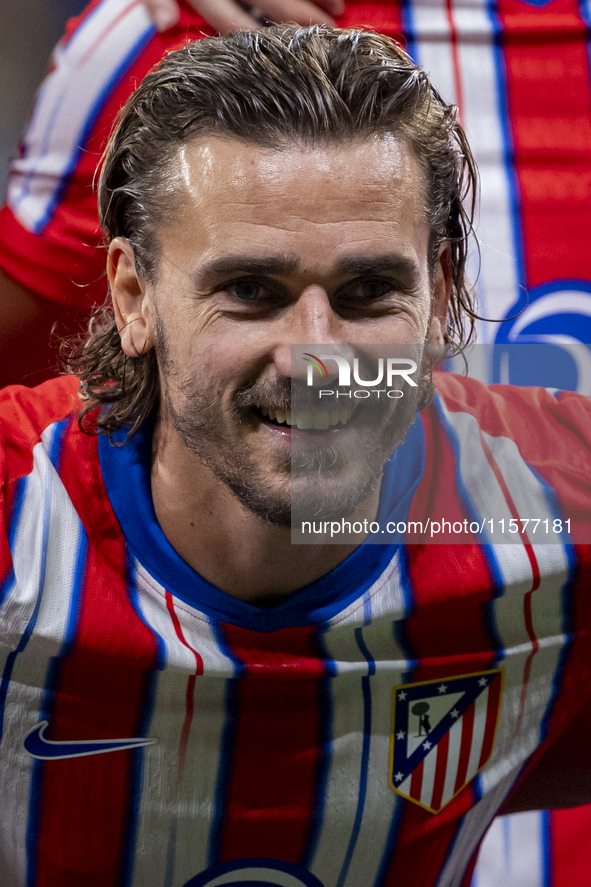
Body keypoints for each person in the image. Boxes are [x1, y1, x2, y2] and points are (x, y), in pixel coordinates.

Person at [1, 26, 590, 887]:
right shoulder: (18, 521)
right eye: (250, 291)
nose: (316, 359)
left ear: (442, 295)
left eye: (367, 292)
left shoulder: (554, 514)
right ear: (134, 297)